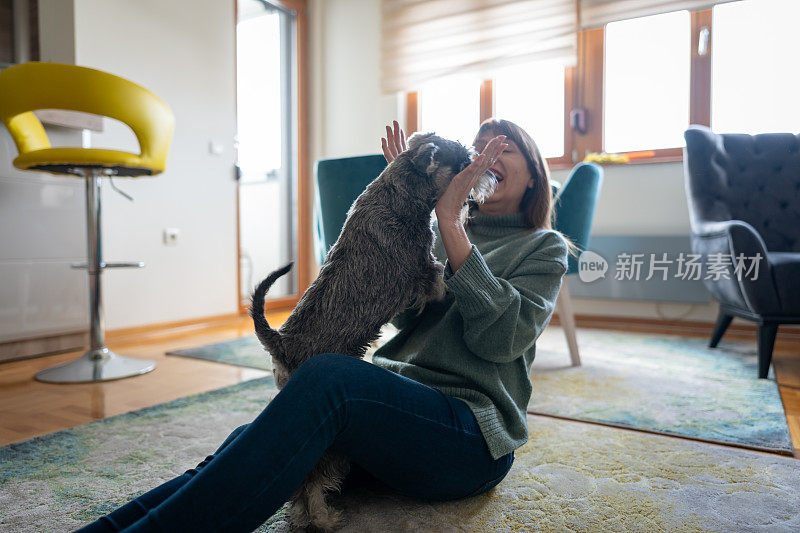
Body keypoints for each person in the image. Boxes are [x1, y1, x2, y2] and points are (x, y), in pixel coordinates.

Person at [76, 118, 569, 532]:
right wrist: (411, 203)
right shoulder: (441, 227)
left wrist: (451, 227)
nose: (483, 155)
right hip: (399, 416)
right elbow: (397, 315)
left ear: (533, 176)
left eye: (502, 147)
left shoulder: (542, 247)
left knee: (327, 379)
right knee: (255, 440)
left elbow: (501, 339)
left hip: (470, 440)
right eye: (478, 147)